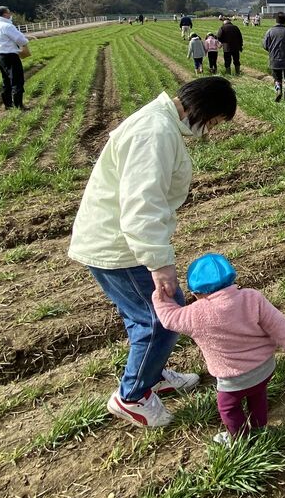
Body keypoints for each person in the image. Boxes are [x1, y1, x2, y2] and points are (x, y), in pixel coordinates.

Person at [69, 77, 237, 428]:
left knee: (148, 315)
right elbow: (141, 206)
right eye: (215, 122)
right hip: (119, 246)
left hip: (117, 239)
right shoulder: (156, 132)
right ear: (204, 109)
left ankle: (153, 374)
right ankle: (132, 396)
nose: (210, 130)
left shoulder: (161, 122)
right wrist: (160, 264)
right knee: (158, 320)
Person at [153, 253, 285, 447]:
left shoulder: (196, 313)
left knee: (228, 408)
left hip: (232, 379)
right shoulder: (251, 297)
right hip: (264, 368)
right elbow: (277, 323)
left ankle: (240, 440)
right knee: (258, 396)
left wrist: (160, 297)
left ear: (197, 293)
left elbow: (169, 318)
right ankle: (259, 429)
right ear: (232, 279)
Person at [0, 6, 30, 110]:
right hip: (11, 56)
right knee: (17, 81)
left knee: (6, 81)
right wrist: (25, 44)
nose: (10, 15)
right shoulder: (7, 26)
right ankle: (18, 105)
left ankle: (8, 104)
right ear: (5, 14)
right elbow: (20, 39)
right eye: (9, 13)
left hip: (0, 57)